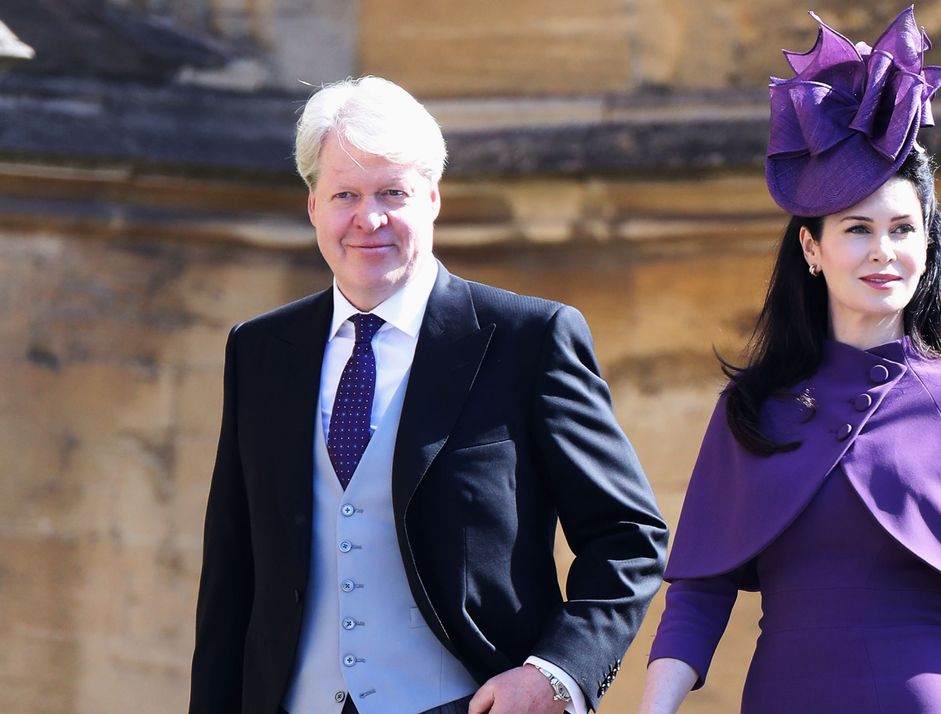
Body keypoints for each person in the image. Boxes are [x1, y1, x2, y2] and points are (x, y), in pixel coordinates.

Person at [638, 8, 941, 714]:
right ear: (812, 251)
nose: (883, 251)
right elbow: (698, 594)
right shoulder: (752, 409)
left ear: (926, 246)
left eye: (902, 229)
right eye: (857, 230)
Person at [188, 76, 668, 714]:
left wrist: (555, 675)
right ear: (312, 206)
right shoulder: (259, 351)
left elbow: (628, 536)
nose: (370, 218)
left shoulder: (530, 339)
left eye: (393, 192)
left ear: (433, 199)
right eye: (345, 195)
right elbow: (231, 574)